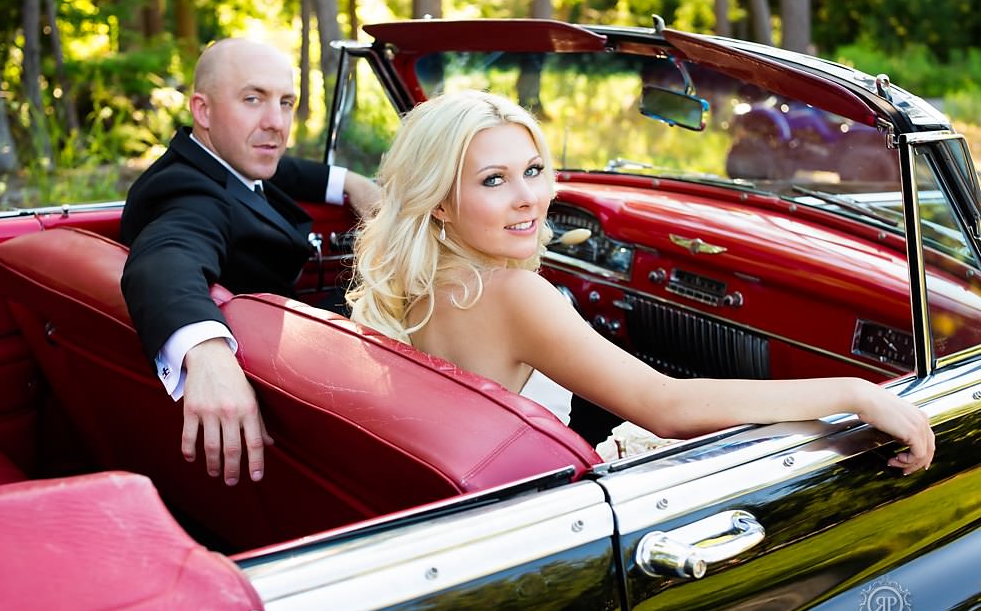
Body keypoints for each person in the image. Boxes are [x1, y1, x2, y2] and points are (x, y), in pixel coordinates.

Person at [346, 90, 935, 474]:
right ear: (440, 204)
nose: (531, 197)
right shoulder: (514, 295)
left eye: (532, 170)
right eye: (493, 181)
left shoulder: (409, 281)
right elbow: (666, 405)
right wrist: (854, 391)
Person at [120, 38, 379, 486]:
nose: (276, 123)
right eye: (253, 99)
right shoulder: (191, 195)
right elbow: (165, 260)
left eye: (286, 103)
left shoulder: (214, 159)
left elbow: (283, 170)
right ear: (203, 110)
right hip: (290, 383)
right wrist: (207, 354)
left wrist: (350, 182)